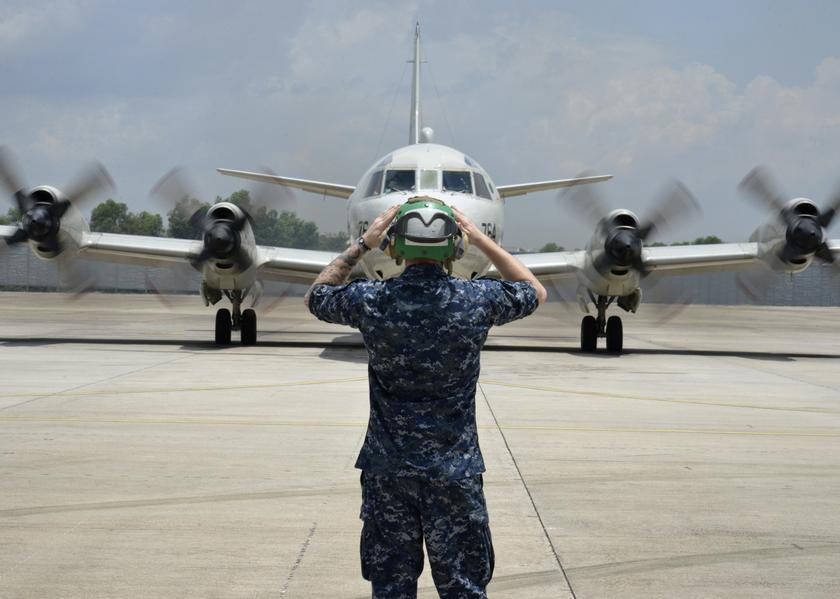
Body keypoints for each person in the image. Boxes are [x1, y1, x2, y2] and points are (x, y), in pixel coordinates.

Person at [305, 198, 547, 599]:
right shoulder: (477, 300)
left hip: (388, 473)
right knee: (464, 589)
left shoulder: (371, 300)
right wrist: (481, 240)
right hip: (454, 473)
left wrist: (363, 244)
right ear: (455, 246)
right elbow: (535, 291)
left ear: (394, 246)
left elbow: (317, 296)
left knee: (391, 590)